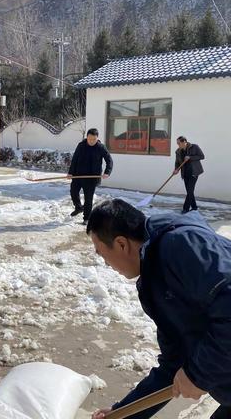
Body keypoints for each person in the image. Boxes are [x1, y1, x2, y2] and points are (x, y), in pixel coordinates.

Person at [87, 199, 231, 419]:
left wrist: (198, 375)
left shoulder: (183, 246)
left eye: (101, 253)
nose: (106, 263)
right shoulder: (155, 278)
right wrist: (124, 412)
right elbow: (175, 362)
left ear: (121, 244)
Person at [67, 128, 113, 225]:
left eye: (94, 139)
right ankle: (79, 207)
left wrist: (107, 172)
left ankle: (86, 218)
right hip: (78, 175)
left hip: (91, 177)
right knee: (73, 192)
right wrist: (70, 172)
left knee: (88, 198)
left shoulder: (101, 147)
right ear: (86, 137)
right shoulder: (81, 146)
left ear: (97, 138)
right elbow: (75, 159)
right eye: (89, 139)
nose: (91, 141)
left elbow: (109, 160)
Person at [174, 136, 205, 214]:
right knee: (189, 191)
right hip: (185, 173)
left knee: (190, 190)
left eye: (179, 143)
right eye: (177, 143)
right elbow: (177, 162)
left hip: (194, 172)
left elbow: (202, 156)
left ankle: (185, 209)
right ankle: (194, 207)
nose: (178, 145)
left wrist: (190, 157)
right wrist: (176, 169)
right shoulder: (178, 151)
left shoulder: (194, 147)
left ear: (184, 141)